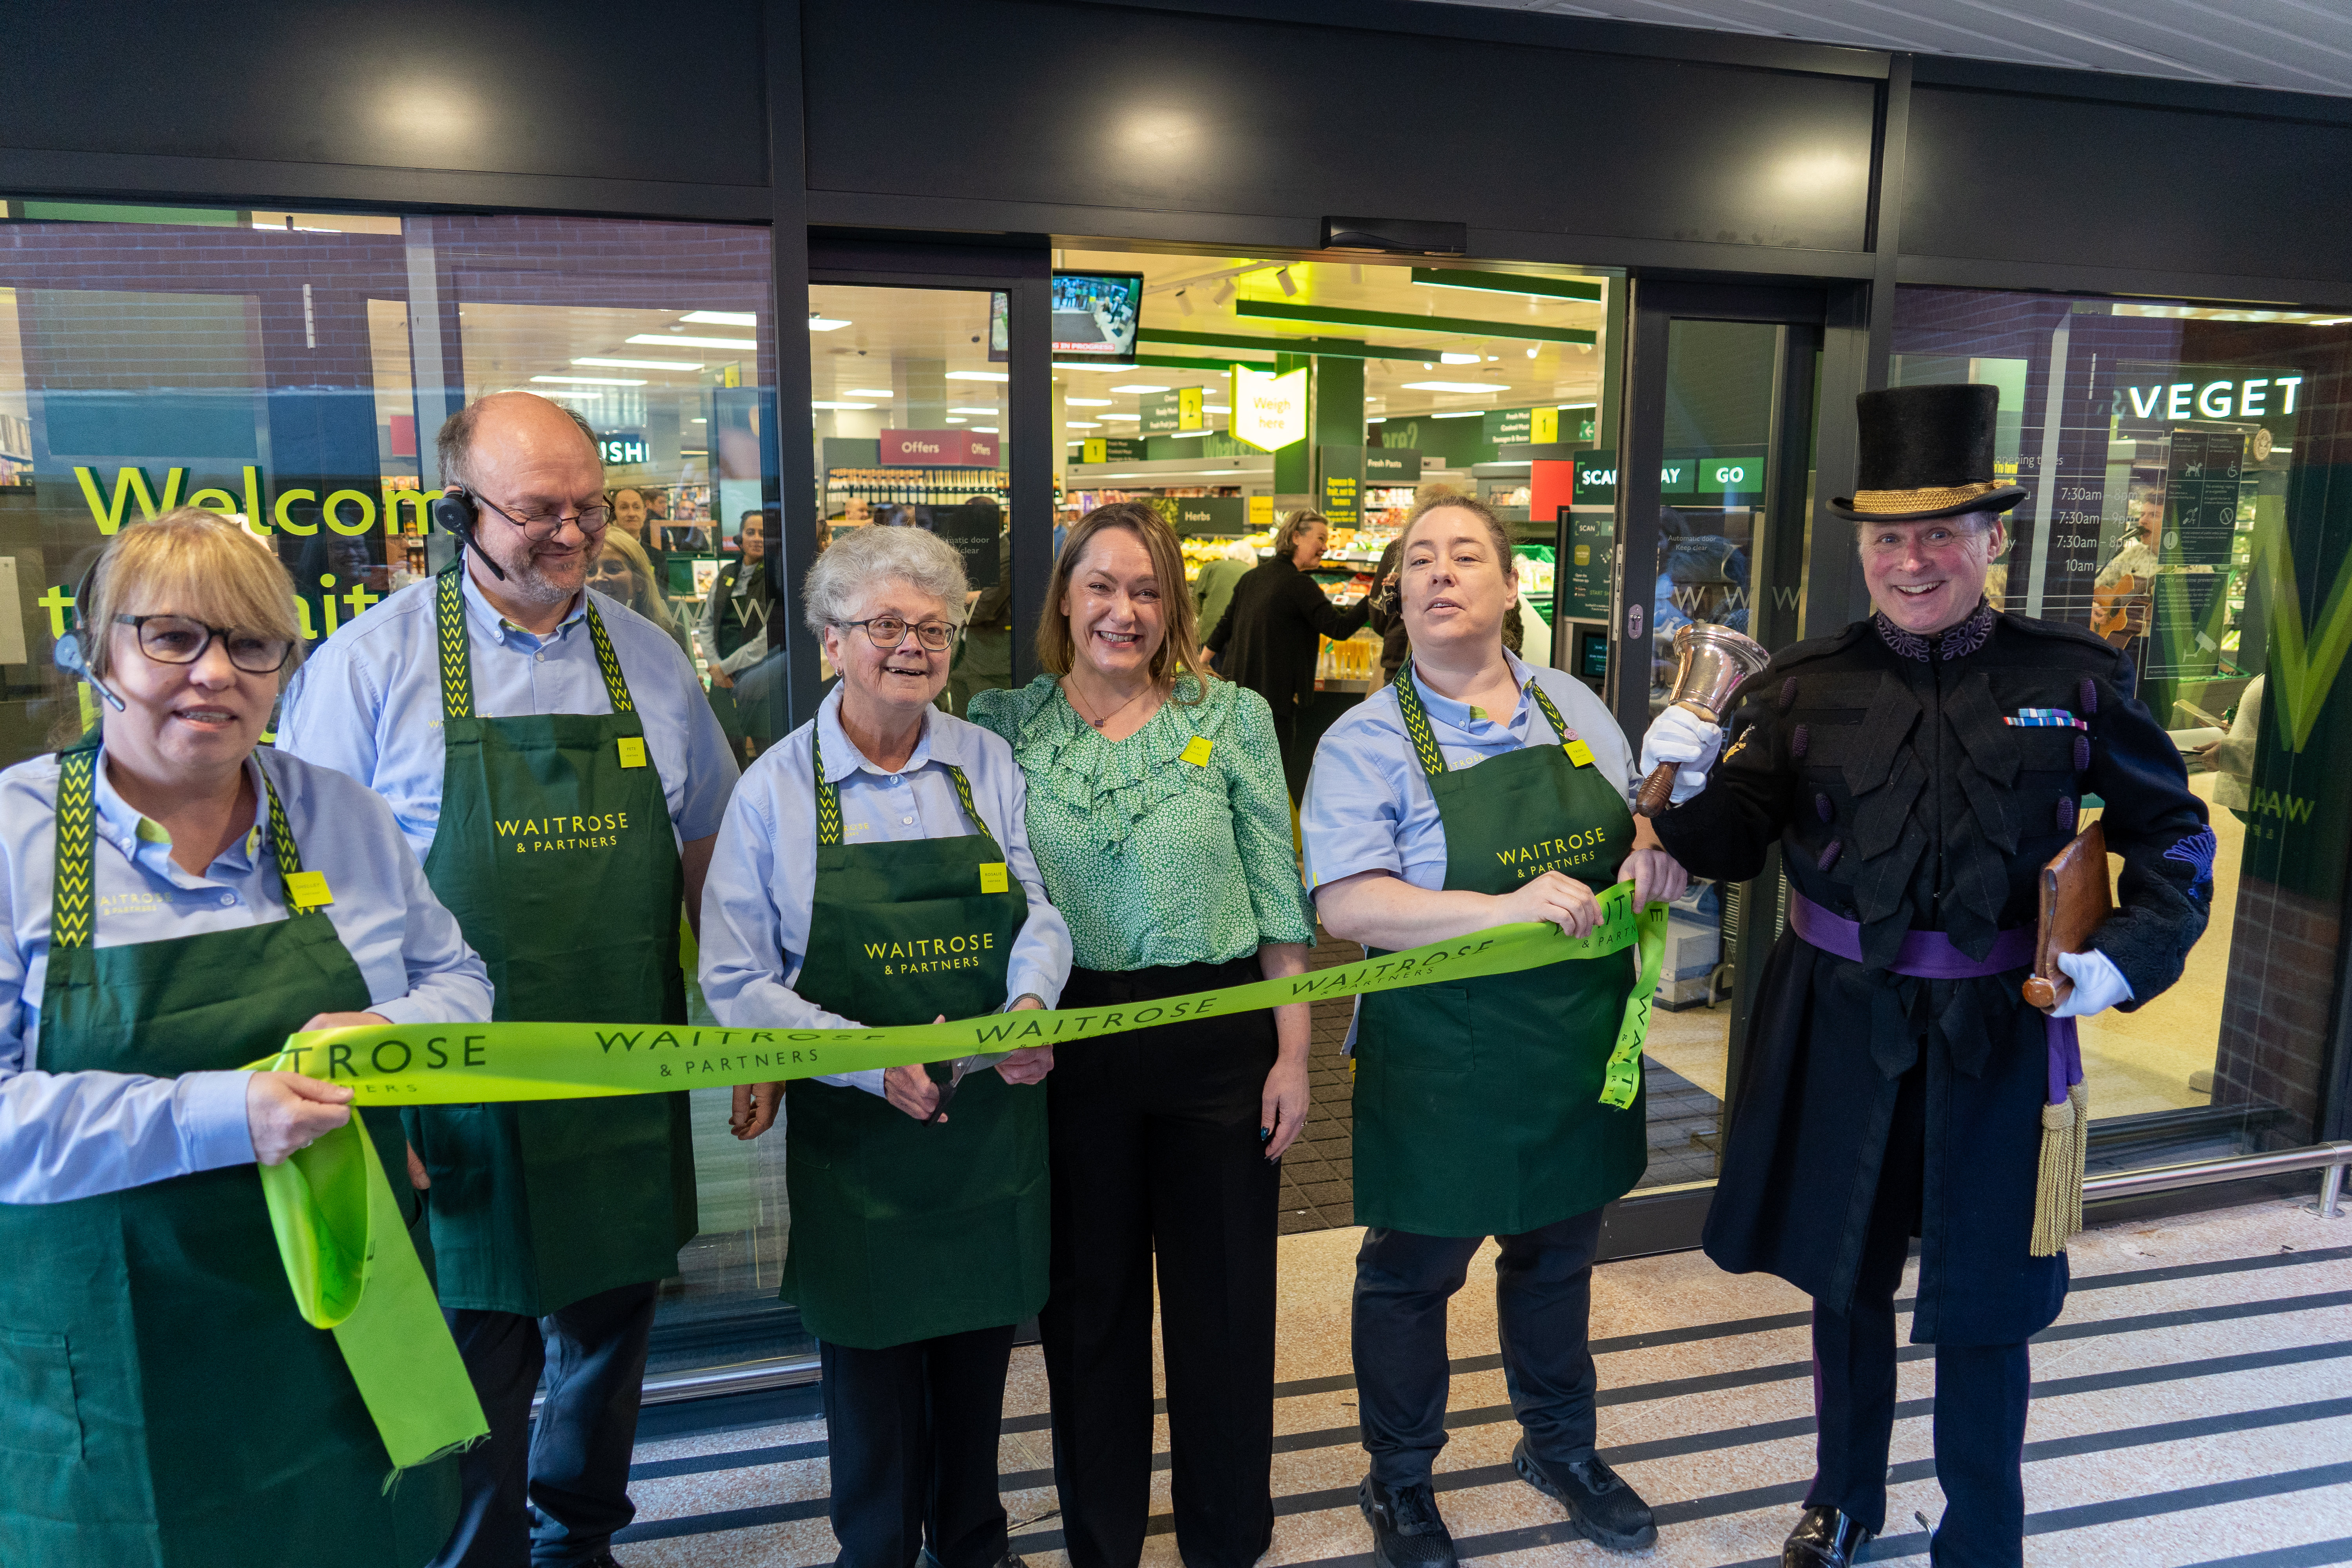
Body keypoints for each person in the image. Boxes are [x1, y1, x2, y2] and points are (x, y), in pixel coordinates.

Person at [1641, 384, 2213, 1568]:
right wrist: (1683, 787)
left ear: (1990, 539)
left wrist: (2122, 960)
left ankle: (1980, 1530)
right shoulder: (1798, 685)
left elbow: (2172, 835)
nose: (1913, 560)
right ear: (1861, 548)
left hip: (2004, 1030)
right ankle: (1841, 1499)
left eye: (1941, 532)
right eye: (1889, 537)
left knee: (1984, 1300)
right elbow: (1733, 843)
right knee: (1840, 1280)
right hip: (1834, 1018)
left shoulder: (2075, 674)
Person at [276, 391, 741, 1568]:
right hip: (448, 1088)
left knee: (609, 1335)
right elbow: (305, 894)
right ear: (460, 512)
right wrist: (360, 1101)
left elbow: (706, 848)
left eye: (592, 508)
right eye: (540, 511)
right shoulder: (368, 667)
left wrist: (748, 1027)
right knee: (472, 1358)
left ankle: (579, 1543)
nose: (574, 535)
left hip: (621, 1072)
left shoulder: (649, 659)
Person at [0, 508, 493, 1566]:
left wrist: (389, 1032)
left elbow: (459, 982)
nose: (214, 673)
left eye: (251, 642)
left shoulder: (341, 817)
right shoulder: (13, 841)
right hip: (123, 1357)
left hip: (341, 1341)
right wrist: (228, 1114)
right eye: (174, 636)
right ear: (101, 652)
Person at [1302, 494, 1690, 1568]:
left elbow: (1631, 821)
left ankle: (1561, 1448)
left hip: (1571, 1041)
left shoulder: (1571, 703)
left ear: (1509, 586)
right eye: (1416, 560)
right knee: (1411, 1275)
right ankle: (1402, 1477)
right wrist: (1506, 910)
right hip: (1441, 1055)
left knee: (1559, 1258)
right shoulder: (1367, 741)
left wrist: (1651, 854)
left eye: (1464, 555)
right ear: (1398, 595)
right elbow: (1346, 904)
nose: (1437, 575)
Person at [700, 524, 1071, 1568]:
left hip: (986, 1133)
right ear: (829, 642)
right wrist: (867, 1058)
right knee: (869, 1387)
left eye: (934, 627)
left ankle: (973, 1543)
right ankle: (873, 1551)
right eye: (884, 626)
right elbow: (735, 982)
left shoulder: (984, 763)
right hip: (857, 1148)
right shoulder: (774, 793)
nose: (912, 646)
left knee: (974, 1368)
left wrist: (1032, 999)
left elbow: (1038, 907)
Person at [967, 503, 1315, 1568]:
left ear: (1175, 608)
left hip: (1219, 1043)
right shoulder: (1001, 722)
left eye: (1149, 590)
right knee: (1089, 1313)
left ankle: (1225, 1539)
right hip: (1068, 1048)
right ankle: (1103, 1542)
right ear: (1064, 598)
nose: (1125, 611)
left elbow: (1277, 898)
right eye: (1103, 587)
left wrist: (1294, 1052)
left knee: (1223, 1310)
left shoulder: (1235, 716)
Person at [1206, 508, 1374, 800]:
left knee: (1238, 777)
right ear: (1297, 537)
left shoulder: (1253, 576)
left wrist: (1199, 664)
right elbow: (1338, 628)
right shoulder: (1298, 584)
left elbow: (1225, 625)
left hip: (1238, 695)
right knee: (1272, 783)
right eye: (1320, 538)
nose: (1326, 546)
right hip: (1275, 701)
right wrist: (1375, 598)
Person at [590, 524, 694, 662]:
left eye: (613, 569)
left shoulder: (669, 638)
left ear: (640, 581)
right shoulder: (570, 640)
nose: (599, 578)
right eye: (590, 571)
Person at [1190, 537, 1255, 649]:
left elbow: (1196, 600)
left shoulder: (1210, 567)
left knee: (1204, 666)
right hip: (1238, 637)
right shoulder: (1252, 573)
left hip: (1207, 634)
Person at [610, 484, 668, 599]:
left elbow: (662, 601)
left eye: (637, 508)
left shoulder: (658, 558)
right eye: (624, 507)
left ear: (645, 513)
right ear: (613, 513)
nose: (632, 514)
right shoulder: (603, 555)